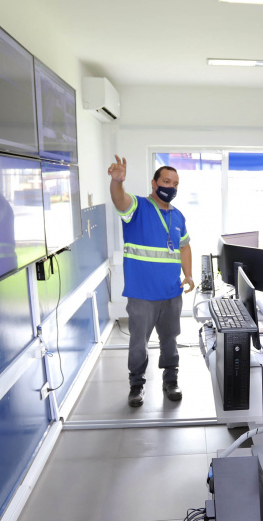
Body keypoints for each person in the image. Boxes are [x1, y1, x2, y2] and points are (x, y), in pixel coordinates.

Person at [109, 156, 195, 407]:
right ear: (154, 183)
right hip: (142, 294)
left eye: (176, 183)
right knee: (138, 344)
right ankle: (136, 384)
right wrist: (116, 183)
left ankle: (171, 380)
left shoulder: (178, 216)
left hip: (171, 292)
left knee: (170, 341)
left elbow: (185, 246)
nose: (171, 186)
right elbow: (120, 200)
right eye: (166, 181)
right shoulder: (138, 207)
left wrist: (188, 275)